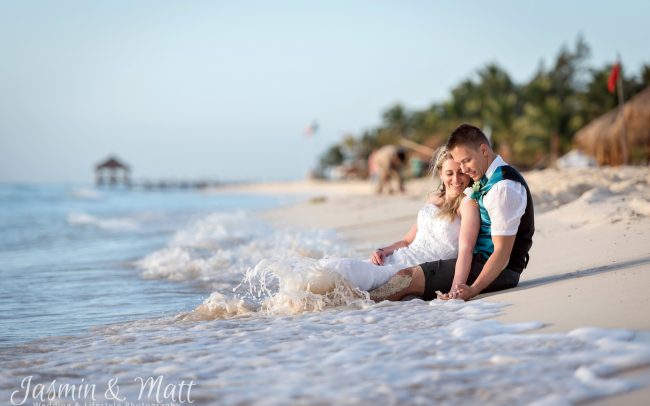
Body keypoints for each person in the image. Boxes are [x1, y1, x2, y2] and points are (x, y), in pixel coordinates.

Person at [368, 124, 534, 301]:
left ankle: (361, 306)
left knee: (407, 278)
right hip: (477, 262)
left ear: (484, 150)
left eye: (466, 161)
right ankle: (357, 301)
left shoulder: (503, 188)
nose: (463, 169)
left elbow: (502, 254)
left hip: (499, 271)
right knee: (391, 275)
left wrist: (472, 289)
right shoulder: (487, 175)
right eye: (459, 163)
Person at [315, 147, 479, 295]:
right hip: (398, 257)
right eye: (450, 173)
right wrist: (383, 250)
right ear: (441, 174)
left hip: (414, 270)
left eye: (461, 172)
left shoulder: (467, 204)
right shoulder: (433, 198)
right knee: (329, 267)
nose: (456, 179)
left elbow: (466, 251)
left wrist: (455, 289)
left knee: (344, 270)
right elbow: (408, 240)